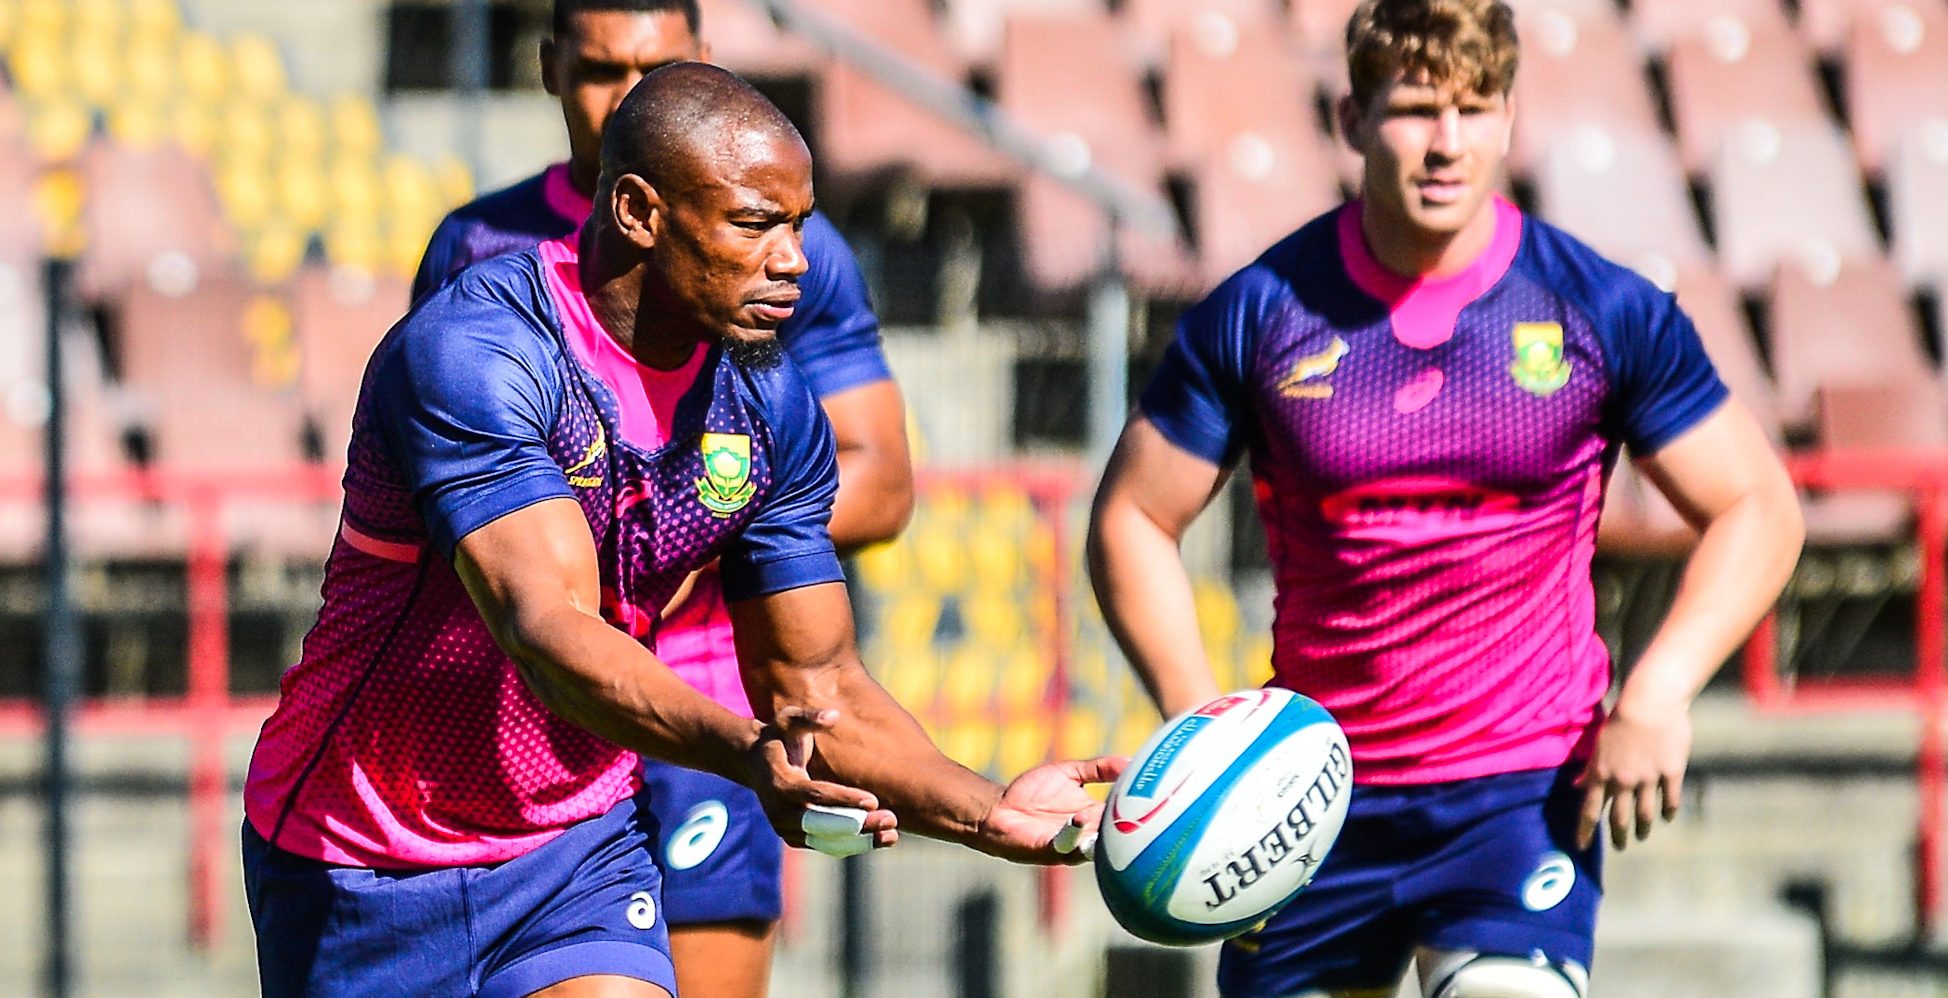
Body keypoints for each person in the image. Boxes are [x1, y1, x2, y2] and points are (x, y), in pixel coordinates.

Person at [244, 63, 1115, 998]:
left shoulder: (771, 400)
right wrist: (747, 752)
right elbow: (551, 633)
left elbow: (818, 686)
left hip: (574, 850)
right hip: (361, 851)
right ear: (637, 211)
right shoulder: (478, 352)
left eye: (799, 224)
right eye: (754, 223)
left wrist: (990, 812)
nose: (794, 260)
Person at [1084, 1, 1804, 995]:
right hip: (1306, 798)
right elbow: (1132, 515)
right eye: (1416, 109)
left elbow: (1756, 506)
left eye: (1474, 108)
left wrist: (1660, 688)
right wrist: (1202, 733)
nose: (1445, 143)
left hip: (1518, 792)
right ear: (1349, 119)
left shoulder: (1599, 307)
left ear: (1509, 118)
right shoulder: (1259, 310)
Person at [411, 4, 914, 997]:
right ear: (551, 68)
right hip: (519, 712)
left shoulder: (776, 247)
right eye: (601, 69)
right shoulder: (476, 248)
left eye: (659, 66)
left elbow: (880, 478)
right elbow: (438, 481)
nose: (628, 94)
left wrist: (681, 540)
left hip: (708, 692)